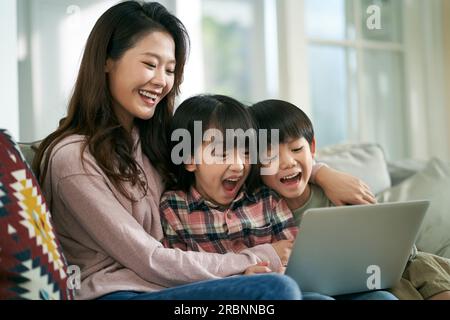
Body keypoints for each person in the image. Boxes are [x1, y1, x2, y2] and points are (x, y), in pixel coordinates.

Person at [32, 1, 378, 300]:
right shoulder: (73, 160)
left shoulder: (151, 140)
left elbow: (260, 156)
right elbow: (150, 259)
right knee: (277, 292)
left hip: (171, 287)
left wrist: (321, 172)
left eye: (170, 69)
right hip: (120, 293)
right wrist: (256, 258)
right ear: (107, 61)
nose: (162, 81)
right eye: (150, 64)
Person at [160, 94, 397, 300]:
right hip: (233, 294)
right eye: (221, 154)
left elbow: (294, 255)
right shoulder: (174, 207)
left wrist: (323, 172)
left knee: (381, 296)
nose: (238, 165)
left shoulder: (266, 198)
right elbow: (180, 273)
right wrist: (240, 276)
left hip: (291, 286)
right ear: (189, 158)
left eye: (245, 152)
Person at [249, 99, 450, 300]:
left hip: (383, 271)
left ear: (311, 148)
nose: (288, 162)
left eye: (296, 149)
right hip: (341, 290)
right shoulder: (256, 214)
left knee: (421, 269)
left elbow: (393, 243)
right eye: (270, 156)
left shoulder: (337, 192)